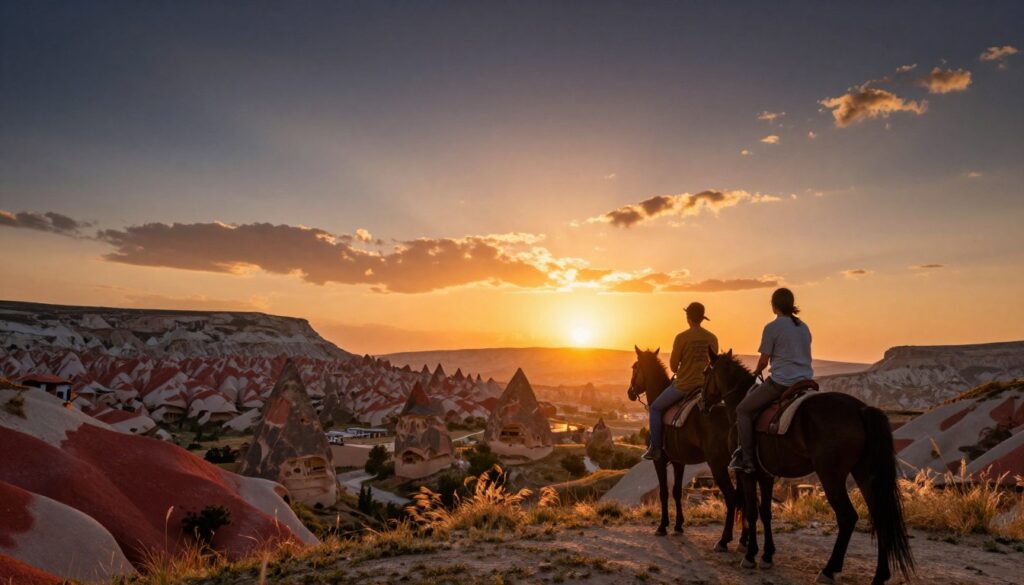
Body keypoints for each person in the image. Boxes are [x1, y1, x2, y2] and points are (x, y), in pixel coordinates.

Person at [729, 287, 813, 474]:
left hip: (782, 382)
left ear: (774, 306)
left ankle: (747, 459)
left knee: (742, 410)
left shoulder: (772, 328)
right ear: (791, 305)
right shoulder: (803, 327)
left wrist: (756, 372)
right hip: (806, 382)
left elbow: (764, 360)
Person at [643, 302, 719, 461]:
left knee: (655, 408)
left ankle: (655, 447)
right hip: (706, 387)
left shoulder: (682, 337)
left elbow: (673, 367)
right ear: (702, 318)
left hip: (684, 386)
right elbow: (714, 363)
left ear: (688, 318)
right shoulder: (712, 338)